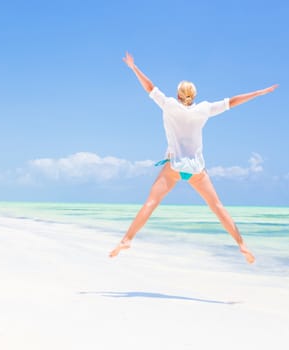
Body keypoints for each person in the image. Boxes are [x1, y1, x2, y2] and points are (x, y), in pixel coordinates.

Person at [109, 52, 278, 264]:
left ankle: (127, 239)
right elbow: (233, 102)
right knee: (217, 207)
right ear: (193, 95)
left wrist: (134, 68)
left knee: (151, 202)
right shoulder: (204, 109)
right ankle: (241, 244)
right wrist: (259, 92)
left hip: (174, 166)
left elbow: (149, 87)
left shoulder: (169, 104)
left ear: (178, 94)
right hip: (197, 168)